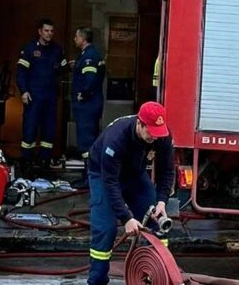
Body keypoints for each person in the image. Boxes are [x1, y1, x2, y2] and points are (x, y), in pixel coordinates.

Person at [86, 101, 175, 285]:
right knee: (106, 228)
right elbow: (110, 183)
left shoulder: (162, 135)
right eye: (150, 132)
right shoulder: (116, 138)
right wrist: (126, 218)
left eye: (158, 133)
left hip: (134, 173)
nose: (155, 138)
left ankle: (160, 277)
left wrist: (161, 202)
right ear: (139, 123)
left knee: (158, 222)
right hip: (103, 174)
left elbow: (167, 171)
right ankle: (97, 280)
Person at [16, 18, 67, 171]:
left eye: (51, 31)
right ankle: (27, 160)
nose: (49, 34)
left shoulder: (57, 50)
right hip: (33, 96)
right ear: (40, 31)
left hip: (50, 97)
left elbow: (63, 69)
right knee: (30, 129)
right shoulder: (30, 49)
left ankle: (45, 160)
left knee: (49, 130)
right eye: (46, 31)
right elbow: (21, 73)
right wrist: (23, 91)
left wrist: (70, 66)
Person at [70, 26, 105, 188]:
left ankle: (88, 179)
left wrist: (82, 94)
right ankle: (88, 176)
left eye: (76, 36)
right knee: (88, 141)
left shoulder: (89, 56)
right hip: (90, 105)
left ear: (83, 38)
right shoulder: (87, 55)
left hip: (87, 106)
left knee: (86, 142)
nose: (74, 39)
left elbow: (90, 79)